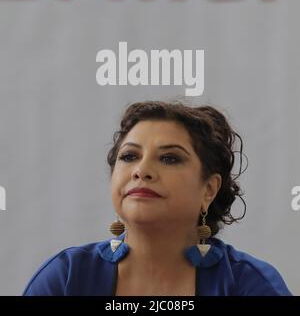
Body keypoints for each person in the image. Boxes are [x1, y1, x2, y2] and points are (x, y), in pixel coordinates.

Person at [23, 101, 292, 296]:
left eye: (169, 158)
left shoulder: (249, 284)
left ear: (209, 189)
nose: (141, 171)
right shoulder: (67, 277)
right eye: (129, 156)